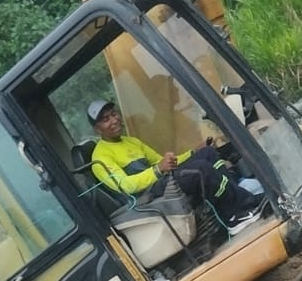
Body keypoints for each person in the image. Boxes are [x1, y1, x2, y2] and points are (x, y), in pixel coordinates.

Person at [85, 98, 265, 235]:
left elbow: (162, 161)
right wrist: (158, 170)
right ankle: (233, 217)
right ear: (97, 129)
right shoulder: (100, 157)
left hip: (160, 181)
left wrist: (193, 152)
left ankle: (242, 200)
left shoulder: (130, 141)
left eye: (114, 114)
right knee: (200, 169)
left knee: (208, 154)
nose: (114, 120)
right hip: (148, 196)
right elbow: (126, 186)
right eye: (106, 119)